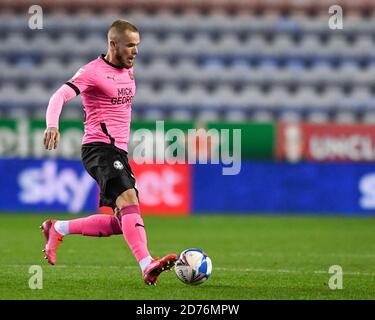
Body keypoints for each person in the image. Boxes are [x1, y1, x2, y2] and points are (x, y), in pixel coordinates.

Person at [41, 20, 177, 286]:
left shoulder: (129, 69)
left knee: (122, 221)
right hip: (98, 148)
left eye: (137, 46)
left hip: (118, 151)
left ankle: (57, 228)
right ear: (113, 44)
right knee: (129, 201)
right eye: (130, 45)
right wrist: (52, 125)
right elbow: (59, 96)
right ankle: (147, 265)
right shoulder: (92, 71)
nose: (135, 51)